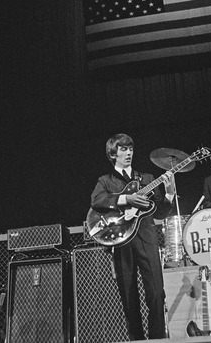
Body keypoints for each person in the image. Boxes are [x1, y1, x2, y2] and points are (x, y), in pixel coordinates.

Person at [90, 133, 175, 340]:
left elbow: (161, 213)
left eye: (130, 149)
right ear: (113, 153)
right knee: (129, 297)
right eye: (123, 149)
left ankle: (157, 338)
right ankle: (136, 339)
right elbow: (97, 201)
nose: (128, 153)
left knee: (156, 292)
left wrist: (170, 193)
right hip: (120, 241)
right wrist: (126, 199)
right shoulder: (106, 181)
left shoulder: (146, 179)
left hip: (146, 239)